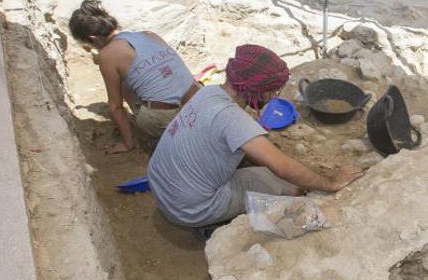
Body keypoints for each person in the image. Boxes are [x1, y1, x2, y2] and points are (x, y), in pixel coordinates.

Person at [147, 44, 362, 231]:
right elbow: (283, 168)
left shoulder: (207, 92)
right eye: (272, 92)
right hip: (189, 209)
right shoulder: (233, 119)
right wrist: (330, 183)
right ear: (256, 91)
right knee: (291, 186)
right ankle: (212, 224)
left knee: (251, 164)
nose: (272, 97)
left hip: (161, 189)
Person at [69, 0, 200, 153]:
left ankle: (166, 137)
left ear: (93, 38)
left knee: (123, 85)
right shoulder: (149, 34)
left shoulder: (108, 55)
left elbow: (116, 107)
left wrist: (127, 143)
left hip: (167, 116)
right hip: (200, 101)